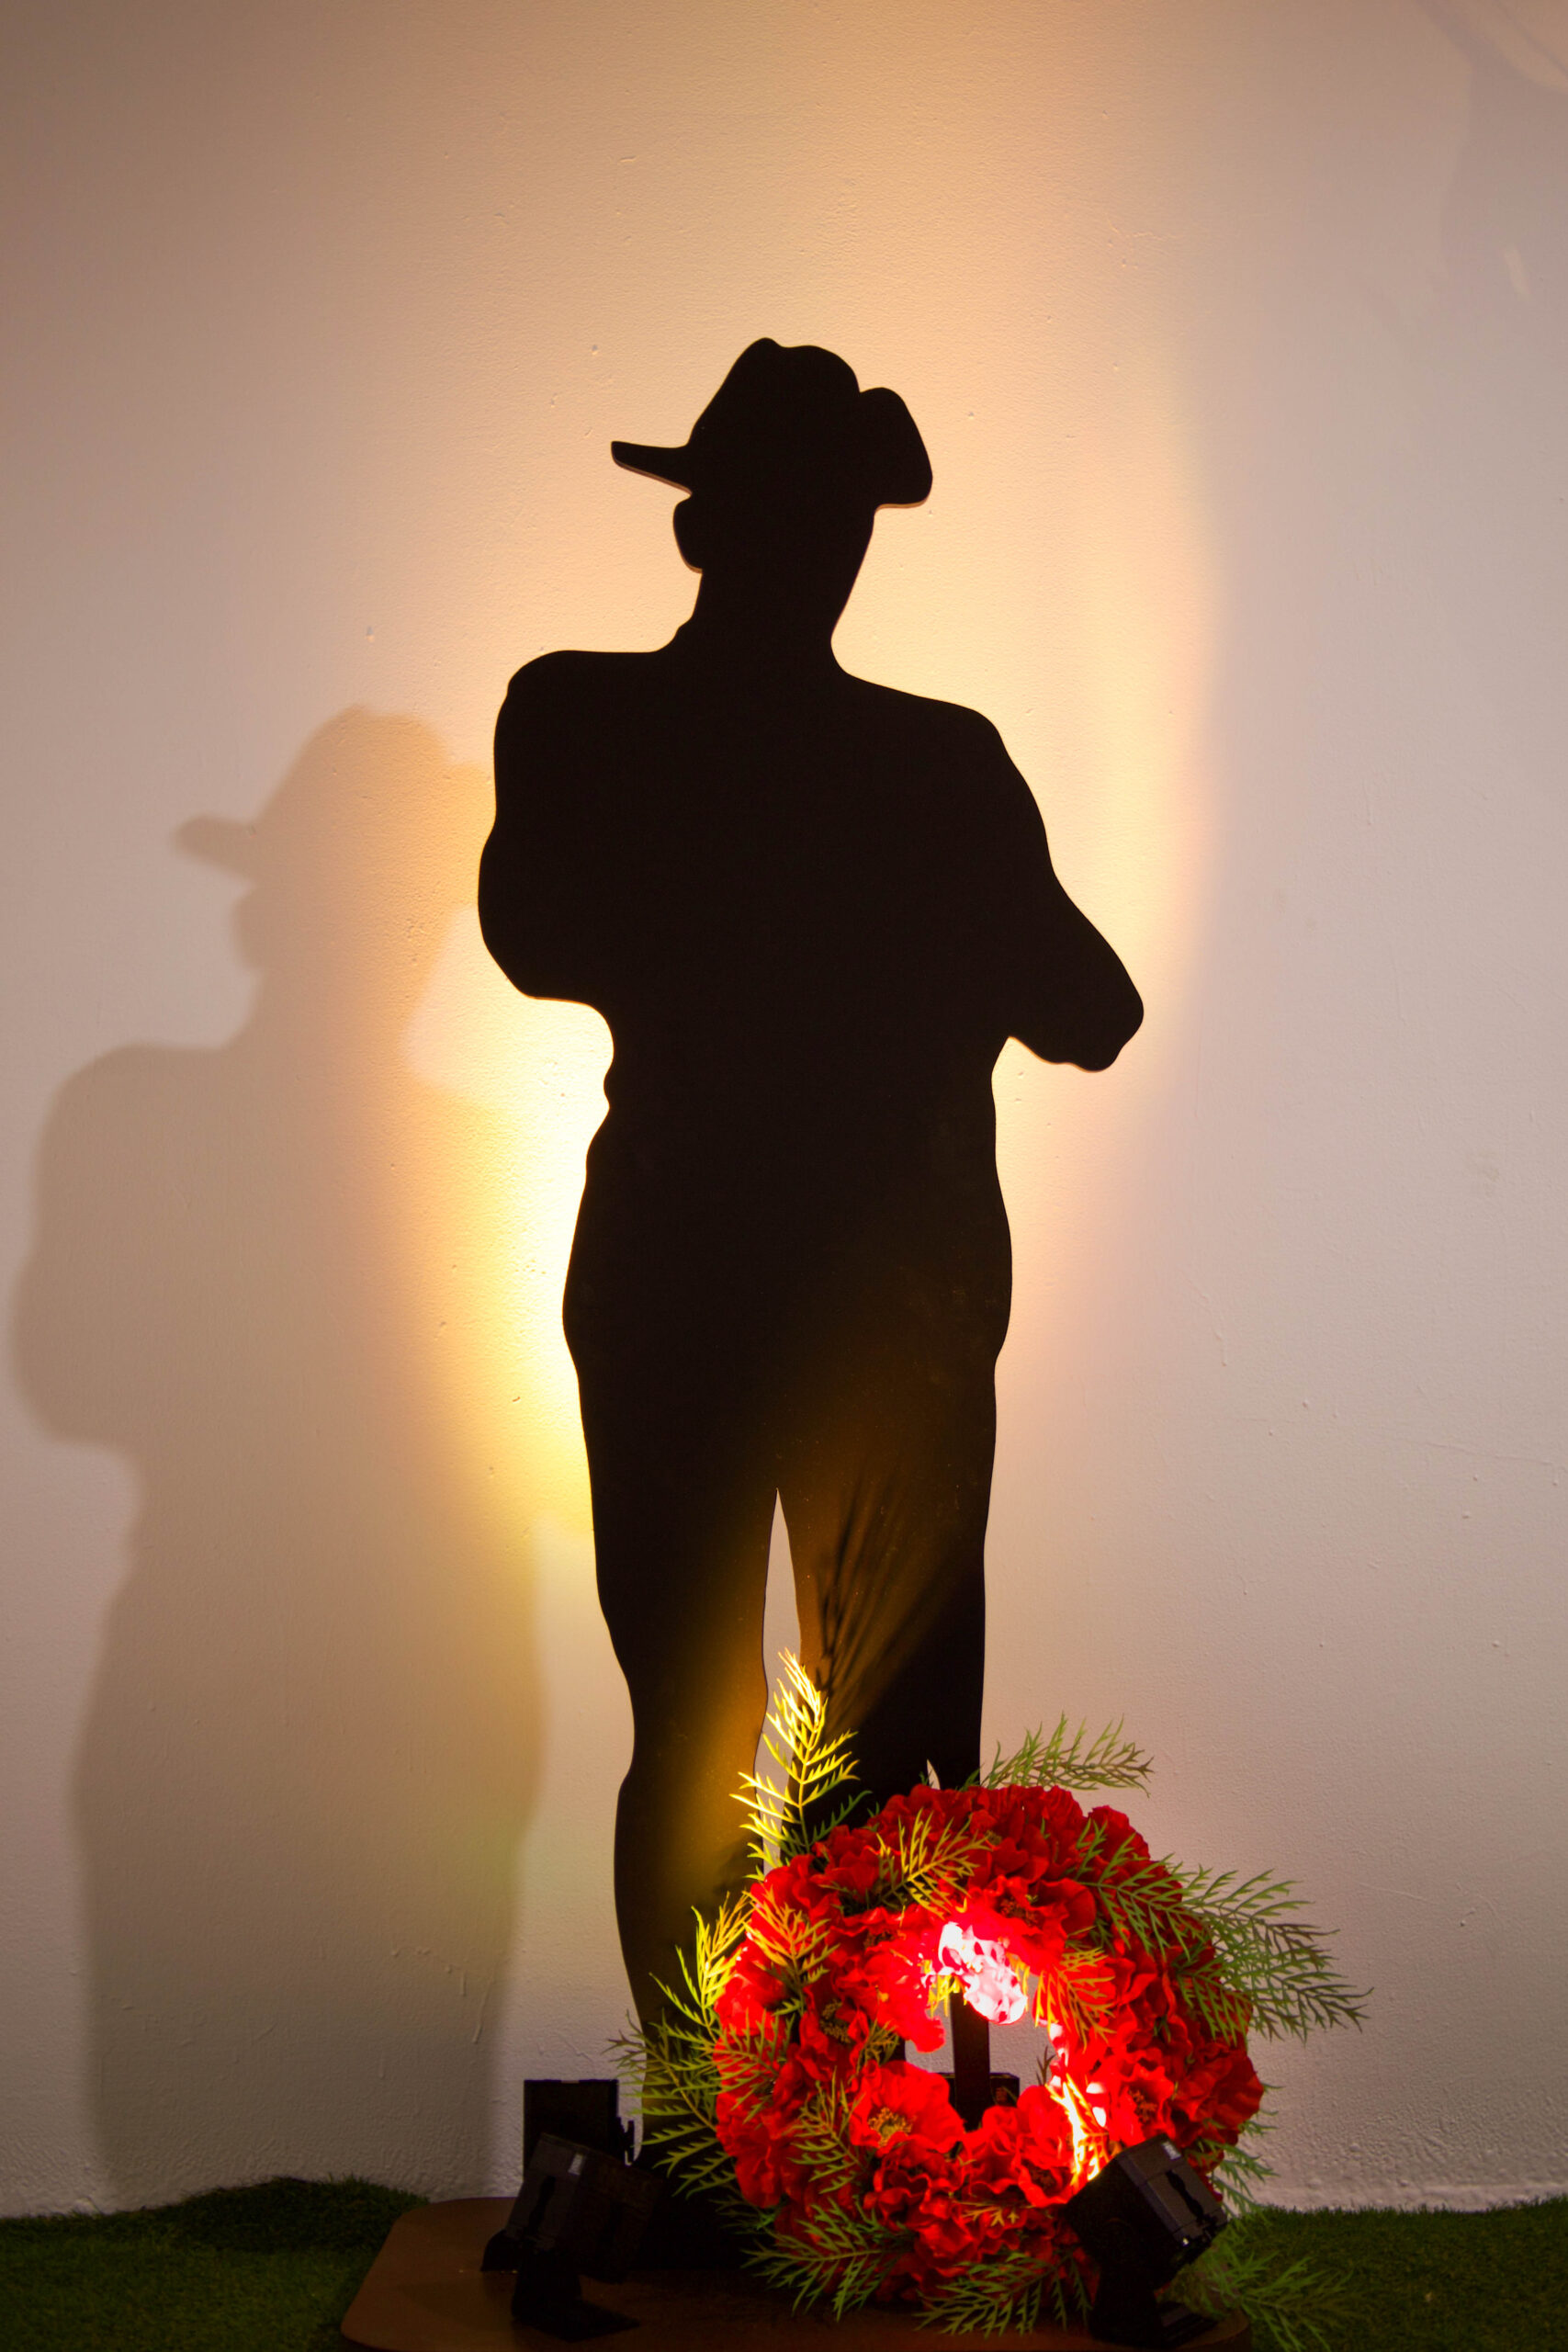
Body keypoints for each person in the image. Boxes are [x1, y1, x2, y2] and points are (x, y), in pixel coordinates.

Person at [479, 340, 1143, 2026]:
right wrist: (898, 921)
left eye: (838, 517)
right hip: (838, 1297)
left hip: (754, 1291)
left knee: (782, 1728)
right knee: (803, 1728)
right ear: (709, 531)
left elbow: (1093, 1010)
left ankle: (792, 2122)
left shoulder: (616, 724)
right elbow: (1085, 1004)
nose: (825, 549)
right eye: (807, 514)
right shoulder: (912, 764)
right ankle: (795, 2118)